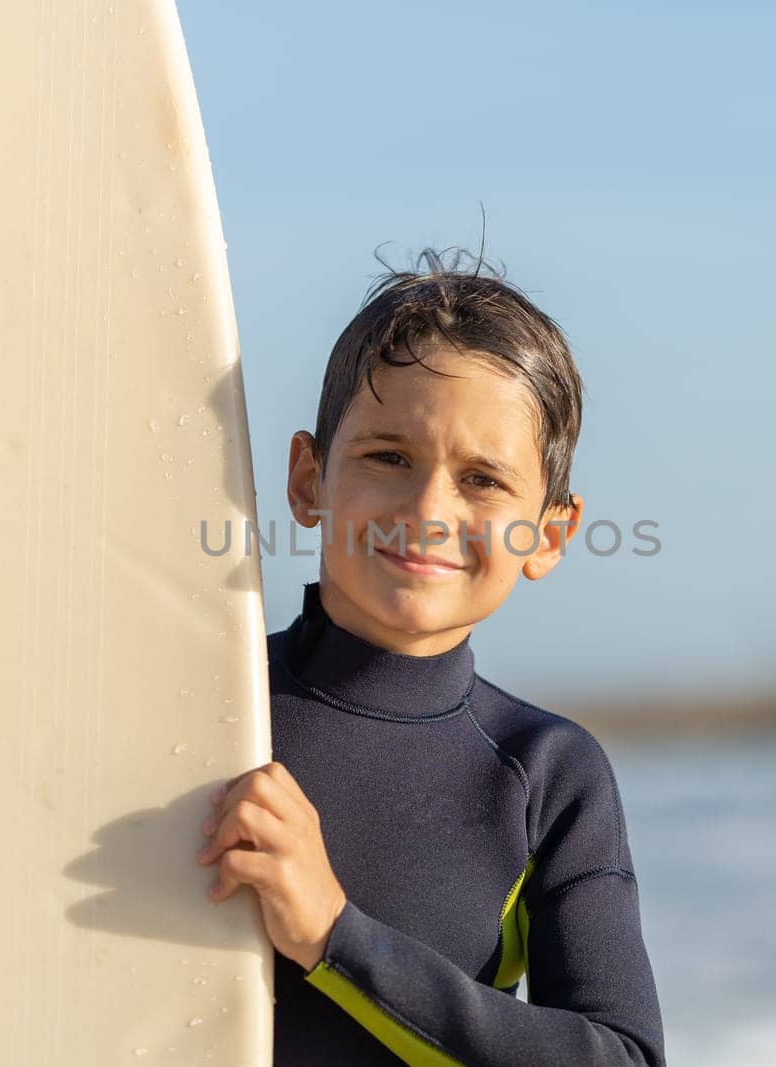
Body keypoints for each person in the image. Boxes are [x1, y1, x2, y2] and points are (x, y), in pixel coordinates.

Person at [195, 247, 666, 1066]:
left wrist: (335, 937)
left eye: (482, 479)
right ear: (308, 480)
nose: (427, 510)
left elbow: (622, 1055)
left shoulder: (543, 772)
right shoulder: (199, 709)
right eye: (389, 457)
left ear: (547, 534)